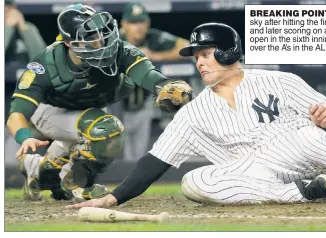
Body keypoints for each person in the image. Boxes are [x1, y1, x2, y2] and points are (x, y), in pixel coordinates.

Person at [67, 22, 326, 209]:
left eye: (205, 53)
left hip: (303, 153)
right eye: (195, 56)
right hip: (259, 175)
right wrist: (114, 199)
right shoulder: (194, 112)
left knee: (309, 135)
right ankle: (301, 195)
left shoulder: (278, 79)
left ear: (228, 53)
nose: (198, 61)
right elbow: (154, 161)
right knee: (194, 182)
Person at [7, 4, 192, 201]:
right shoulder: (46, 65)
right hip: (52, 111)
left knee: (58, 163)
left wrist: (165, 86)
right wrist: (25, 136)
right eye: (91, 37)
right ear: (70, 43)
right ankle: (77, 185)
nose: (101, 40)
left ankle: (36, 170)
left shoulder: (121, 50)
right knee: (106, 131)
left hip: (88, 111)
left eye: (102, 32)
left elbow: (148, 75)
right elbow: (16, 114)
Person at [117, 2, 191, 161]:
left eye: (141, 22)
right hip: (115, 106)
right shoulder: (115, 39)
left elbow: (186, 46)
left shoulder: (152, 37)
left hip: (142, 104)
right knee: (115, 157)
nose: (138, 27)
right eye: (133, 22)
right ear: (124, 24)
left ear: (147, 23)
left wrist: (155, 57)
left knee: (137, 157)